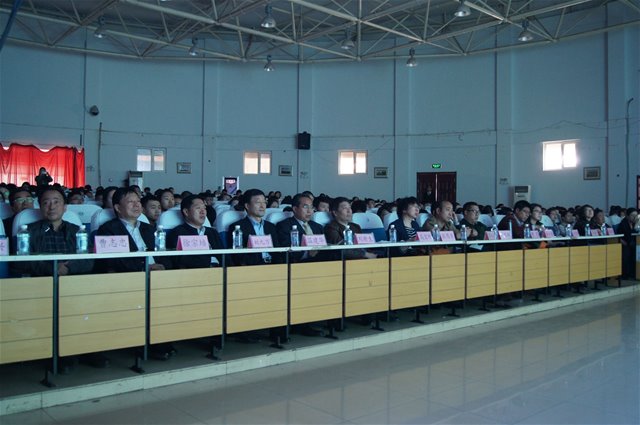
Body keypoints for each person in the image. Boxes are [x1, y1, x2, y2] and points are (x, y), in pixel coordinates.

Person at [13, 186, 93, 277]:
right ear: (40, 207)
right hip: (41, 280)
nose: (52, 207)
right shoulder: (28, 232)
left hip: (73, 280)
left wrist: (68, 268)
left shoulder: (77, 231)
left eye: (56, 202)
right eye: (46, 203)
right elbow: (21, 262)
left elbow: (89, 260)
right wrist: (52, 268)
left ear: (65, 207)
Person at [96, 187, 170, 273]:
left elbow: (164, 254)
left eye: (138, 201)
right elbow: (112, 261)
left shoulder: (150, 229)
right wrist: (144, 268)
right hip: (131, 275)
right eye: (130, 202)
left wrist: (164, 266)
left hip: (159, 274)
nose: (137, 205)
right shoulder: (108, 230)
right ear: (118, 208)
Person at [166, 195, 224, 269]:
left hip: (220, 271)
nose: (203, 212)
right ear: (186, 212)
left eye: (204, 208)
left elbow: (224, 256)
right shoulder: (178, 233)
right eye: (198, 208)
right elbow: (180, 261)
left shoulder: (212, 232)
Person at [227, 189, 281, 266]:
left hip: (274, 266)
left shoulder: (271, 226)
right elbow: (238, 256)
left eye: (264, 202)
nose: (262, 206)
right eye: (258, 202)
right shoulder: (237, 228)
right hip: (252, 267)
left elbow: (278, 251)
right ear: (247, 206)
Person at [276, 193, 324, 263]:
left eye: (311, 207)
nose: (309, 211)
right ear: (295, 209)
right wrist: (307, 253)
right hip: (299, 264)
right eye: (305, 207)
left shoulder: (318, 227)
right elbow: (287, 251)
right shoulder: (284, 226)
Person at [618, 208, 638, 279]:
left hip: (634, 243)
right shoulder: (623, 224)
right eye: (632, 215)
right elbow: (619, 237)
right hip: (625, 243)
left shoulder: (636, 223)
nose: (634, 217)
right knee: (627, 252)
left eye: (636, 215)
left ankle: (635, 273)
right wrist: (625, 243)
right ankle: (625, 274)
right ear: (627, 216)